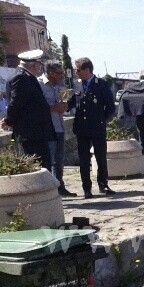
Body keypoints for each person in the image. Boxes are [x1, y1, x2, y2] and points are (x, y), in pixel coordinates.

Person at [67, 57, 116, 198]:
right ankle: (86, 188)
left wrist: (102, 120)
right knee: (83, 159)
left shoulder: (100, 84)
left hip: (97, 127)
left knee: (100, 156)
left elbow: (110, 107)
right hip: (82, 128)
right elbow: (72, 102)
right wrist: (64, 106)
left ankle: (103, 184)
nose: (76, 73)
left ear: (87, 70)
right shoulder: (77, 85)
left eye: (78, 70)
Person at [1, 49, 56, 170]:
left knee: (43, 166)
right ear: (34, 65)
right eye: (39, 65)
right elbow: (15, 102)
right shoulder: (21, 77)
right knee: (39, 167)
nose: (40, 68)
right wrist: (9, 120)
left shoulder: (25, 77)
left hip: (35, 132)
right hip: (31, 132)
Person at [40, 61, 77, 196]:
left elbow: (65, 102)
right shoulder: (39, 85)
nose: (62, 76)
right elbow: (37, 107)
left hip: (59, 126)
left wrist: (66, 106)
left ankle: (60, 186)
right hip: (48, 128)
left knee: (59, 159)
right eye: (59, 73)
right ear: (50, 73)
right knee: (48, 159)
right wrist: (52, 108)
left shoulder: (61, 85)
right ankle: (49, 188)